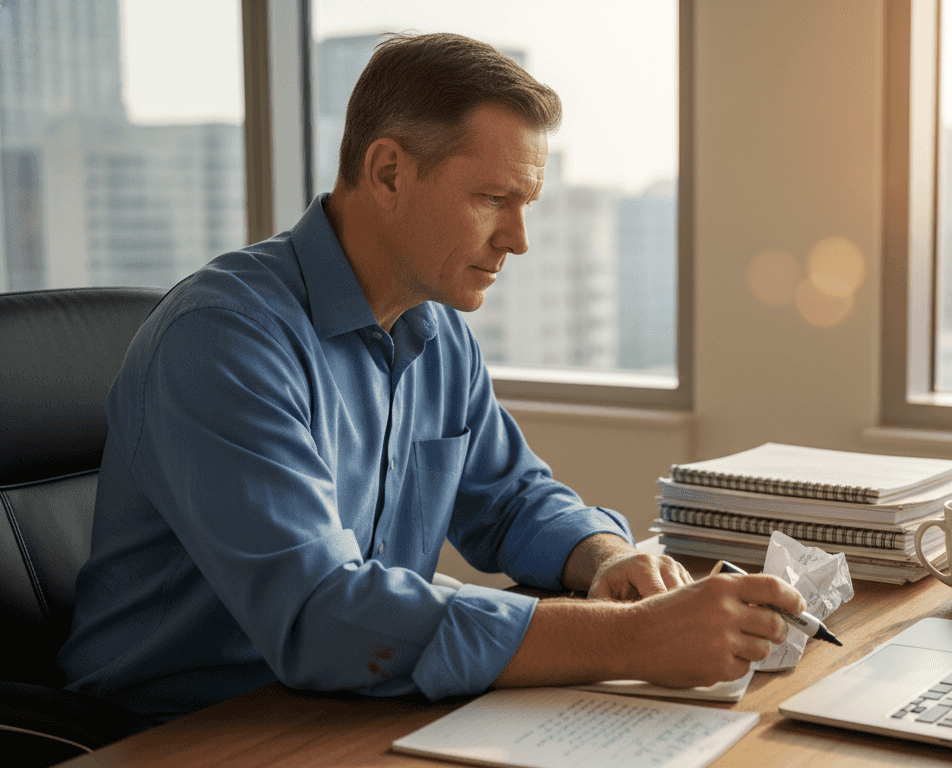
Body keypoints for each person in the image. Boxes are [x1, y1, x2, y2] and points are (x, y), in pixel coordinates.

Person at [58, 32, 804, 723]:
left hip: (346, 705)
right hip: (180, 730)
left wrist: (609, 559)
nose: (518, 239)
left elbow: (511, 501)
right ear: (389, 172)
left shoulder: (437, 334)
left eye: (526, 205)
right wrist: (629, 640)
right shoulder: (224, 338)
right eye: (493, 199)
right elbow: (320, 613)